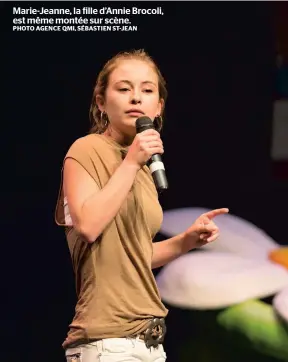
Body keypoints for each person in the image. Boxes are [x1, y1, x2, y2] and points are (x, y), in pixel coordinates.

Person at [55, 49, 229, 362]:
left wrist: (187, 240)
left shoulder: (145, 168)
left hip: (148, 341)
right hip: (106, 339)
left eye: (147, 90)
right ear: (101, 102)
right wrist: (133, 162)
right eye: (124, 89)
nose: (136, 97)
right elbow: (89, 226)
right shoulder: (87, 150)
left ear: (159, 106)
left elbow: (136, 254)